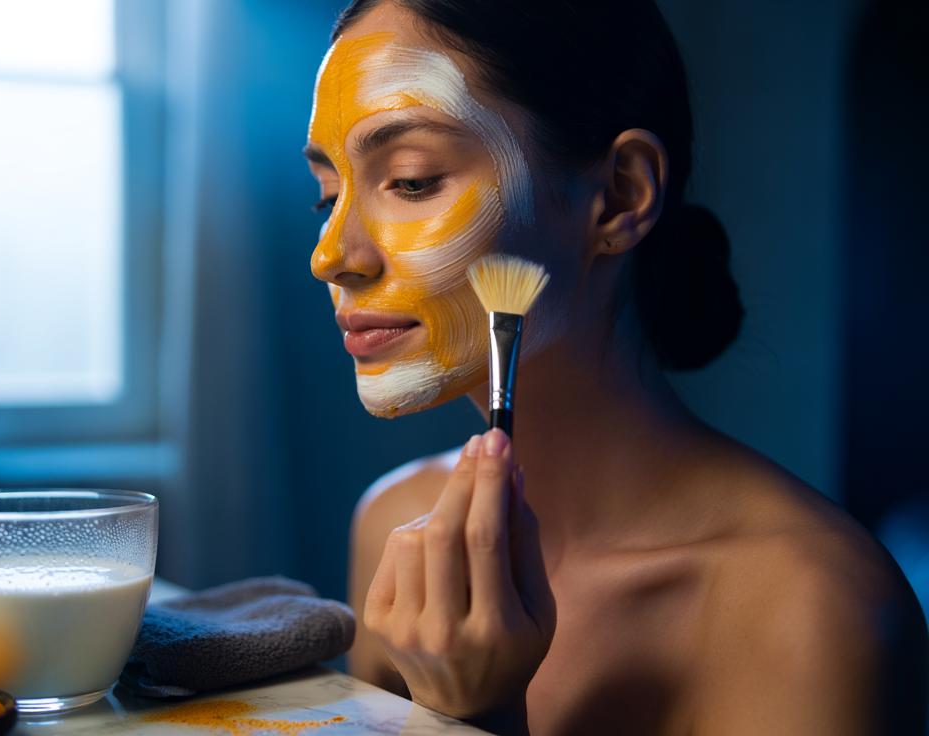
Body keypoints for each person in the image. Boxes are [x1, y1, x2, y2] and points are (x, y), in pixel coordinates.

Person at [302, 1, 928, 733]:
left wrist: (475, 716)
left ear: (622, 195)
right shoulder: (396, 528)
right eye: (329, 193)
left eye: (410, 180)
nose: (330, 256)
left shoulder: (818, 613)